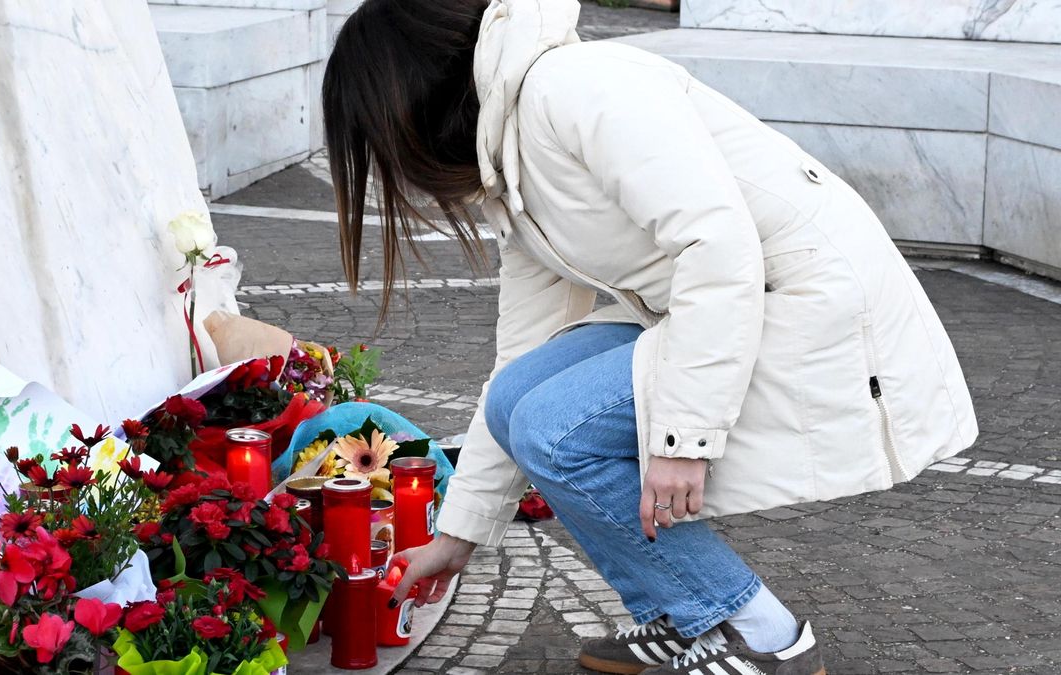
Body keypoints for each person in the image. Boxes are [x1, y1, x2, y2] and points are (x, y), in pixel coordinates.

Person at [321, 1, 978, 673]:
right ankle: (683, 616)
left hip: (810, 303)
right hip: (724, 305)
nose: (398, 171)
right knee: (520, 396)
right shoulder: (509, 162)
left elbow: (717, 245)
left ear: (411, 100)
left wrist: (684, 437)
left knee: (557, 428)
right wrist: (457, 534)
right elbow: (519, 358)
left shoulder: (572, 87)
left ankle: (761, 634)